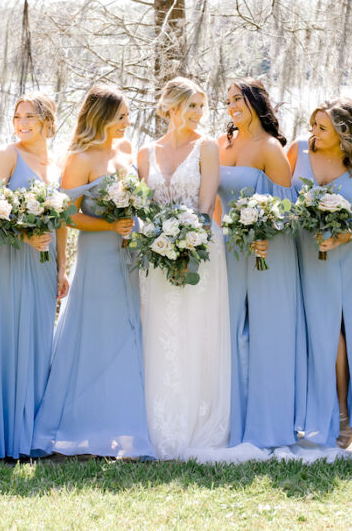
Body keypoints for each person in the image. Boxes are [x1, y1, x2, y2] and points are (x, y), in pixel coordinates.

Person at [30, 85, 155, 459]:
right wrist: (105, 230)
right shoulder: (79, 158)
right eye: (121, 117)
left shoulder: (127, 151)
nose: (127, 123)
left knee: (127, 333)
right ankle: (83, 424)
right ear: (101, 117)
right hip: (98, 255)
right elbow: (65, 214)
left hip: (129, 256)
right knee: (97, 333)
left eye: (128, 116)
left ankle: (123, 425)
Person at [136, 77, 231, 460]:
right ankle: (156, 424)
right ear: (170, 107)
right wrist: (161, 245)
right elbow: (143, 208)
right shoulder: (146, 152)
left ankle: (196, 422)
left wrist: (188, 247)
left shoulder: (207, 147)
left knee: (197, 333)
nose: (197, 114)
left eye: (201, 107)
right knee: (160, 334)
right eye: (191, 106)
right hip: (156, 255)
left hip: (201, 251)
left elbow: (206, 206)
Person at [288, 98, 352, 449]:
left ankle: (343, 415)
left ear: (344, 133)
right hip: (303, 254)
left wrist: (341, 235)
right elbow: (283, 198)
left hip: (346, 258)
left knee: (343, 335)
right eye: (312, 125)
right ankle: (306, 414)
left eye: (322, 128)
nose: (313, 133)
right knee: (309, 332)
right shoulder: (296, 151)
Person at [0, 93, 70, 460]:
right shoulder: (6, 157)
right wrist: (23, 235)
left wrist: (63, 267)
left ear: (48, 121)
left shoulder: (57, 164)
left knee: (37, 343)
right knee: (7, 341)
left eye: (30, 116)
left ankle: (32, 433)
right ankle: (4, 437)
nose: (22, 123)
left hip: (43, 266)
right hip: (10, 262)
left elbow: (61, 220)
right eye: (17, 116)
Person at [217, 78, 305, 449]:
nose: (232, 106)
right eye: (228, 101)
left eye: (238, 99)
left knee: (268, 333)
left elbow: (288, 207)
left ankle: (269, 425)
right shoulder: (223, 144)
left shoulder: (270, 148)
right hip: (230, 249)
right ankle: (232, 423)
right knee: (231, 332)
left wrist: (268, 232)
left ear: (255, 102)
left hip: (268, 250)